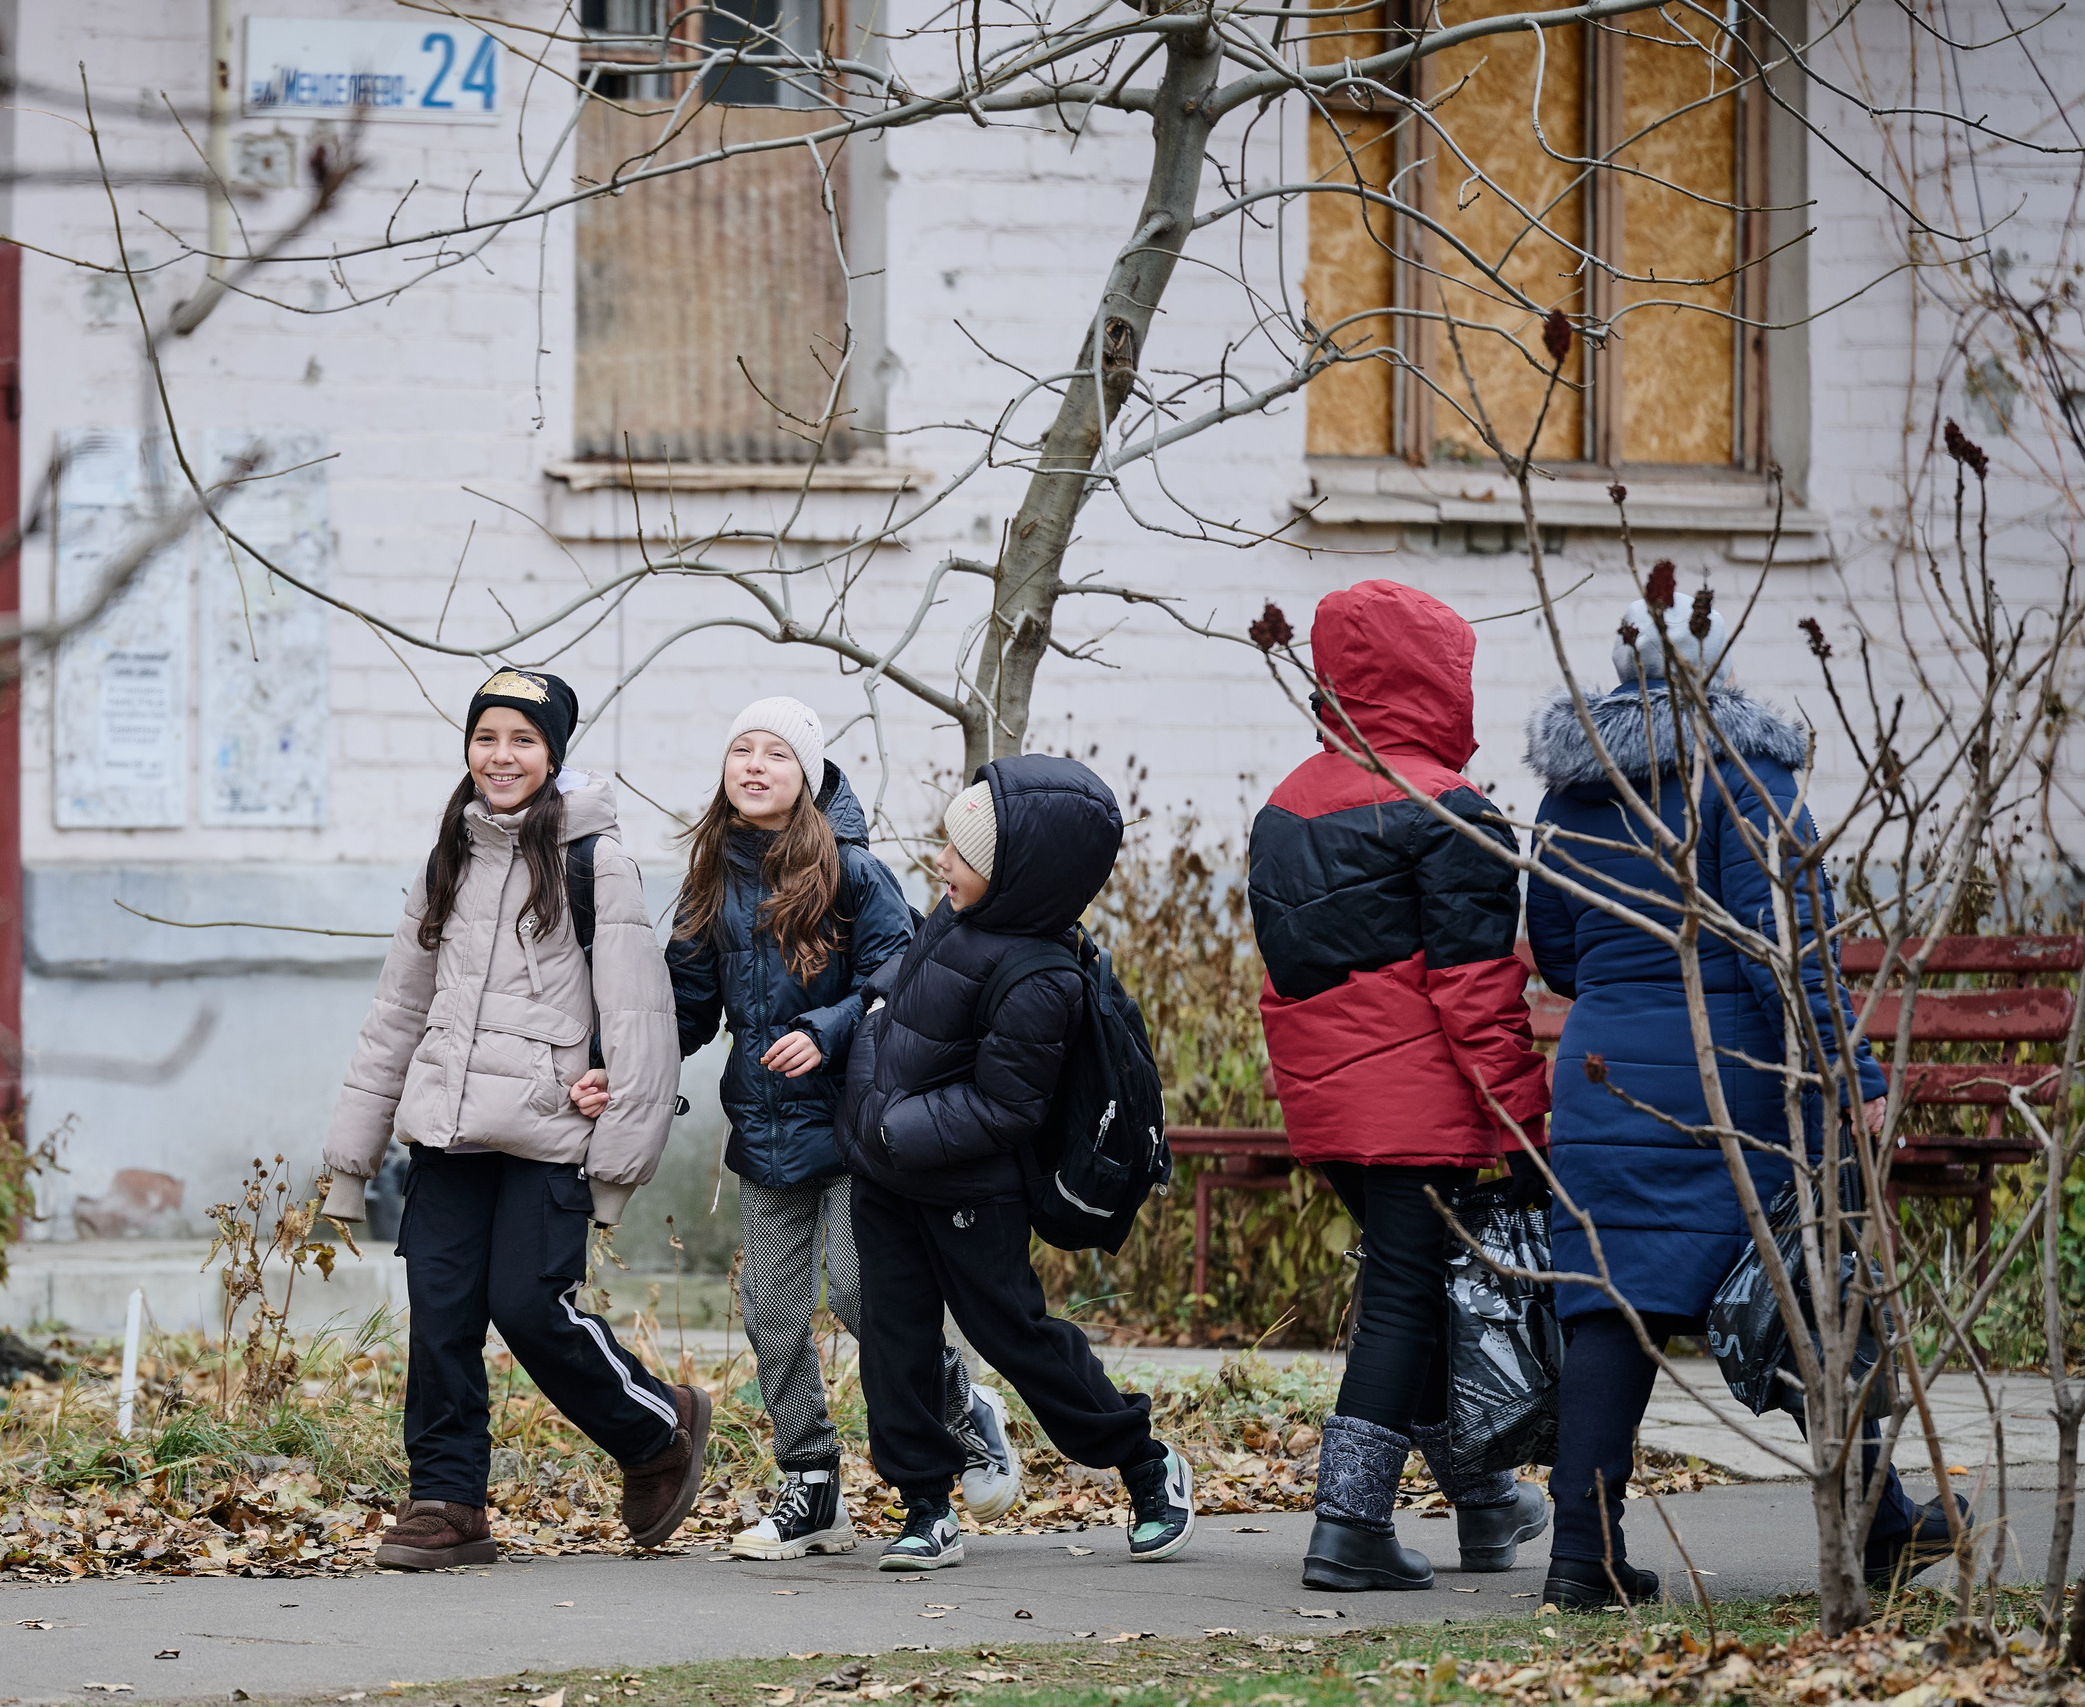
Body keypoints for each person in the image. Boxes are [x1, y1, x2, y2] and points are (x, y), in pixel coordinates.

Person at [1524, 598, 1966, 1609]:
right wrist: (1850, 1080)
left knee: (1605, 1309)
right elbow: (1790, 956)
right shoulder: (1743, 776)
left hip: (1601, 1084)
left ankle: (1578, 1558)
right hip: (1733, 1090)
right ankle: (1876, 1532)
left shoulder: (1569, 796)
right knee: (1814, 1298)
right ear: (1715, 675)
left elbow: (1552, 952)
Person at [320, 667, 701, 1570]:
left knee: (530, 1308)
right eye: (487, 737)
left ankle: (656, 1431)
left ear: (554, 755)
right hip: (448, 1130)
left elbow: (641, 1015)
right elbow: (398, 1008)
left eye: (523, 740)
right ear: (468, 748)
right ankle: (447, 1501)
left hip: (549, 1128)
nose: (502, 755)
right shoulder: (446, 854)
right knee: (441, 1312)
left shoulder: (592, 859)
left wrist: (618, 1162)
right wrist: (351, 1153)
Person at [1248, 580, 1556, 1593]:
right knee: (1402, 1300)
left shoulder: (1285, 805)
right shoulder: (1450, 814)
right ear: (1437, 680)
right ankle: (1348, 1526)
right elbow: (1476, 993)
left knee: (1411, 1296)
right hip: (1418, 1101)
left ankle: (1481, 1503)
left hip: (1326, 1099)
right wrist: (1523, 1118)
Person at [666, 698, 1020, 1561]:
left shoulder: (853, 871)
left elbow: (901, 980)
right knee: (771, 1313)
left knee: (866, 1295)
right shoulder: (710, 875)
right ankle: (813, 1483)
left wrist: (825, 1031)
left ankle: (959, 1404)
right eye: (739, 749)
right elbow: (684, 1005)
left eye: (775, 753)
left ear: (812, 774)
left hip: (854, 1124)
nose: (753, 764)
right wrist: (626, 1067)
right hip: (764, 1132)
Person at [835, 755, 1196, 1571]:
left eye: (961, 855)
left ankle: (1145, 1463)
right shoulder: (956, 918)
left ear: (1019, 874)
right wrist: (862, 1079)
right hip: (889, 1179)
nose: (942, 864)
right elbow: (900, 1013)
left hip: (968, 1192)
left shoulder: (1041, 974)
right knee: (893, 1343)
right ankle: (924, 1506)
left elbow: (1006, 1108)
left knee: (1016, 1337)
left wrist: (891, 1127)